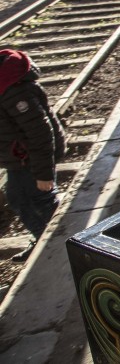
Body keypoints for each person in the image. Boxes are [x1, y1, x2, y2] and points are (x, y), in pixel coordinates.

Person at [0, 49, 64, 263]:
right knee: (18, 196)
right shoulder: (6, 83)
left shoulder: (13, 89)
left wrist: (44, 173)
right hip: (18, 156)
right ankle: (44, 240)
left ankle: (60, 246)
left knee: (38, 200)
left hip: (30, 158)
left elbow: (40, 133)